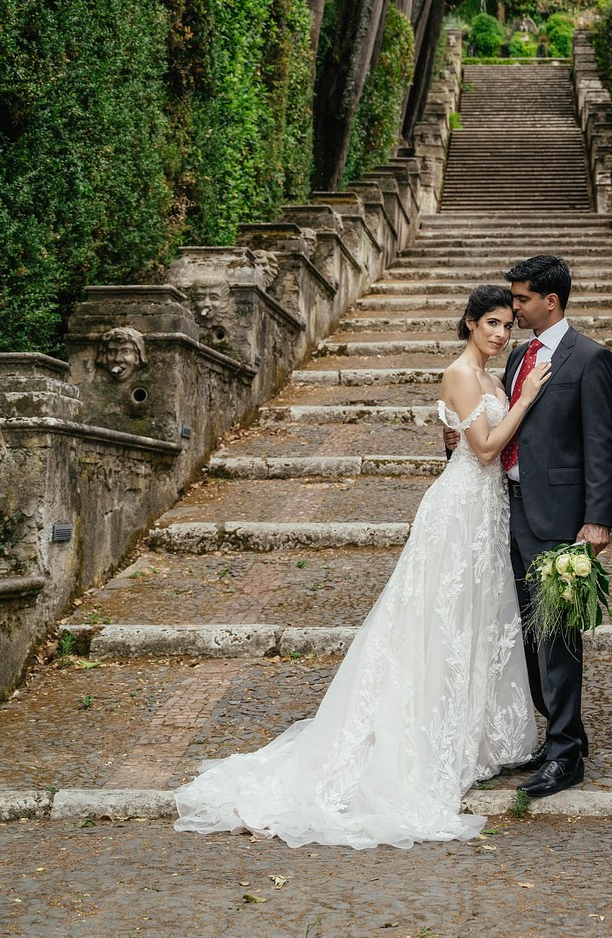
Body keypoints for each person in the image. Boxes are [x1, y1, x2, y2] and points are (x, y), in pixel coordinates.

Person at [173, 284, 550, 850]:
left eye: (506, 326)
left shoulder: (490, 378)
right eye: (491, 323)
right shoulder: (459, 374)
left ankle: (470, 733)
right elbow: (485, 449)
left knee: (475, 618)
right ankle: (415, 737)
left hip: (487, 510)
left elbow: (463, 442)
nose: (500, 334)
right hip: (458, 511)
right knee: (436, 617)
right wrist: (528, 399)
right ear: (470, 322)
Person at [500, 253, 612, 799]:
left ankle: (566, 754)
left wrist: (597, 519)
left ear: (551, 300)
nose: (514, 308)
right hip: (510, 510)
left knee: (558, 635)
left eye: (522, 299)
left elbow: (601, 442)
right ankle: (560, 730)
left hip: (561, 518)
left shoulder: (590, 357)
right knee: (527, 633)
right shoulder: (517, 356)